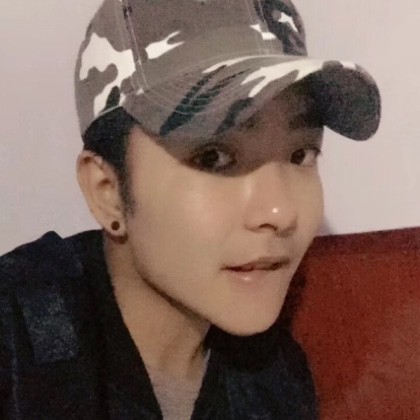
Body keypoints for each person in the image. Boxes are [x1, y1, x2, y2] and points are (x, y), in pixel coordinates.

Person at [0, 0, 381, 418]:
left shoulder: (275, 380)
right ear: (107, 191)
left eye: (300, 154)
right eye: (213, 157)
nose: (280, 212)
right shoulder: (17, 344)